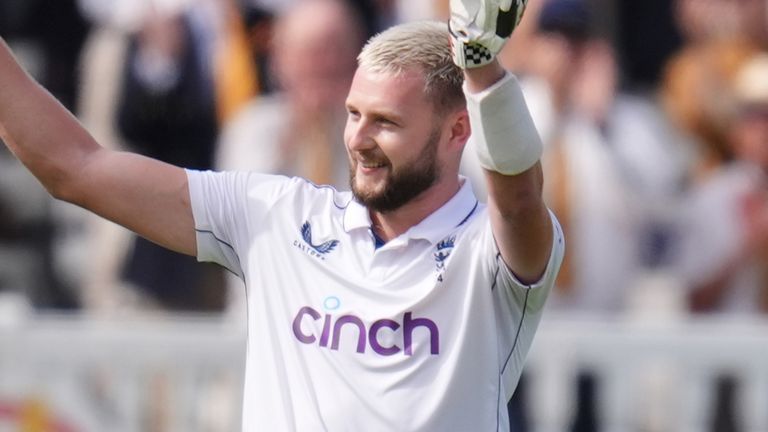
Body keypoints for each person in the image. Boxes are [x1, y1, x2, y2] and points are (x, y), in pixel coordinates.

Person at [0, 0, 563, 429]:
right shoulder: (279, 217)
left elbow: (517, 198)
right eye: (352, 114)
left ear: (456, 130)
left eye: (385, 122)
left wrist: (483, 70)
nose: (358, 140)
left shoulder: (485, 248)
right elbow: (73, 166)